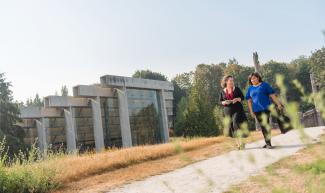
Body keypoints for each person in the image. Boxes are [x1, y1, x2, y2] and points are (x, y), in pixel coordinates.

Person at [245, 72, 283, 149]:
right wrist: (251, 111)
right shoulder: (250, 88)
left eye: (254, 78)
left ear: (258, 78)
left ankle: (268, 143)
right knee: (263, 126)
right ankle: (267, 142)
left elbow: (272, 95)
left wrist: (278, 104)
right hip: (256, 110)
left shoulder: (264, 85)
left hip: (266, 108)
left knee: (265, 125)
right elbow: (249, 101)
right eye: (251, 79)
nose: (253, 80)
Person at [219, 75, 248, 149]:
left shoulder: (236, 89)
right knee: (232, 126)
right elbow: (220, 101)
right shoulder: (222, 91)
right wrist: (225, 102)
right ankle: (238, 144)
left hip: (237, 109)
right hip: (227, 111)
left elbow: (242, 97)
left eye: (232, 80)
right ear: (226, 81)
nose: (232, 82)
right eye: (230, 80)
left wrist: (238, 99)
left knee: (236, 124)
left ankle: (241, 143)